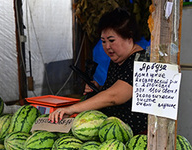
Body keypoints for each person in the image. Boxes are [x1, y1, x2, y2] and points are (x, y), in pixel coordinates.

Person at [49, 7, 148, 135]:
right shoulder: (118, 60)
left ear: (129, 37)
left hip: (133, 136)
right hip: (110, 133)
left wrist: (71, 109)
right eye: (103, 41)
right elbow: (118, 88)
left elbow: (114, 96)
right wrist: (99, 88)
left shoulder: (141, 62)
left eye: (112, 40)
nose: (107, 47)